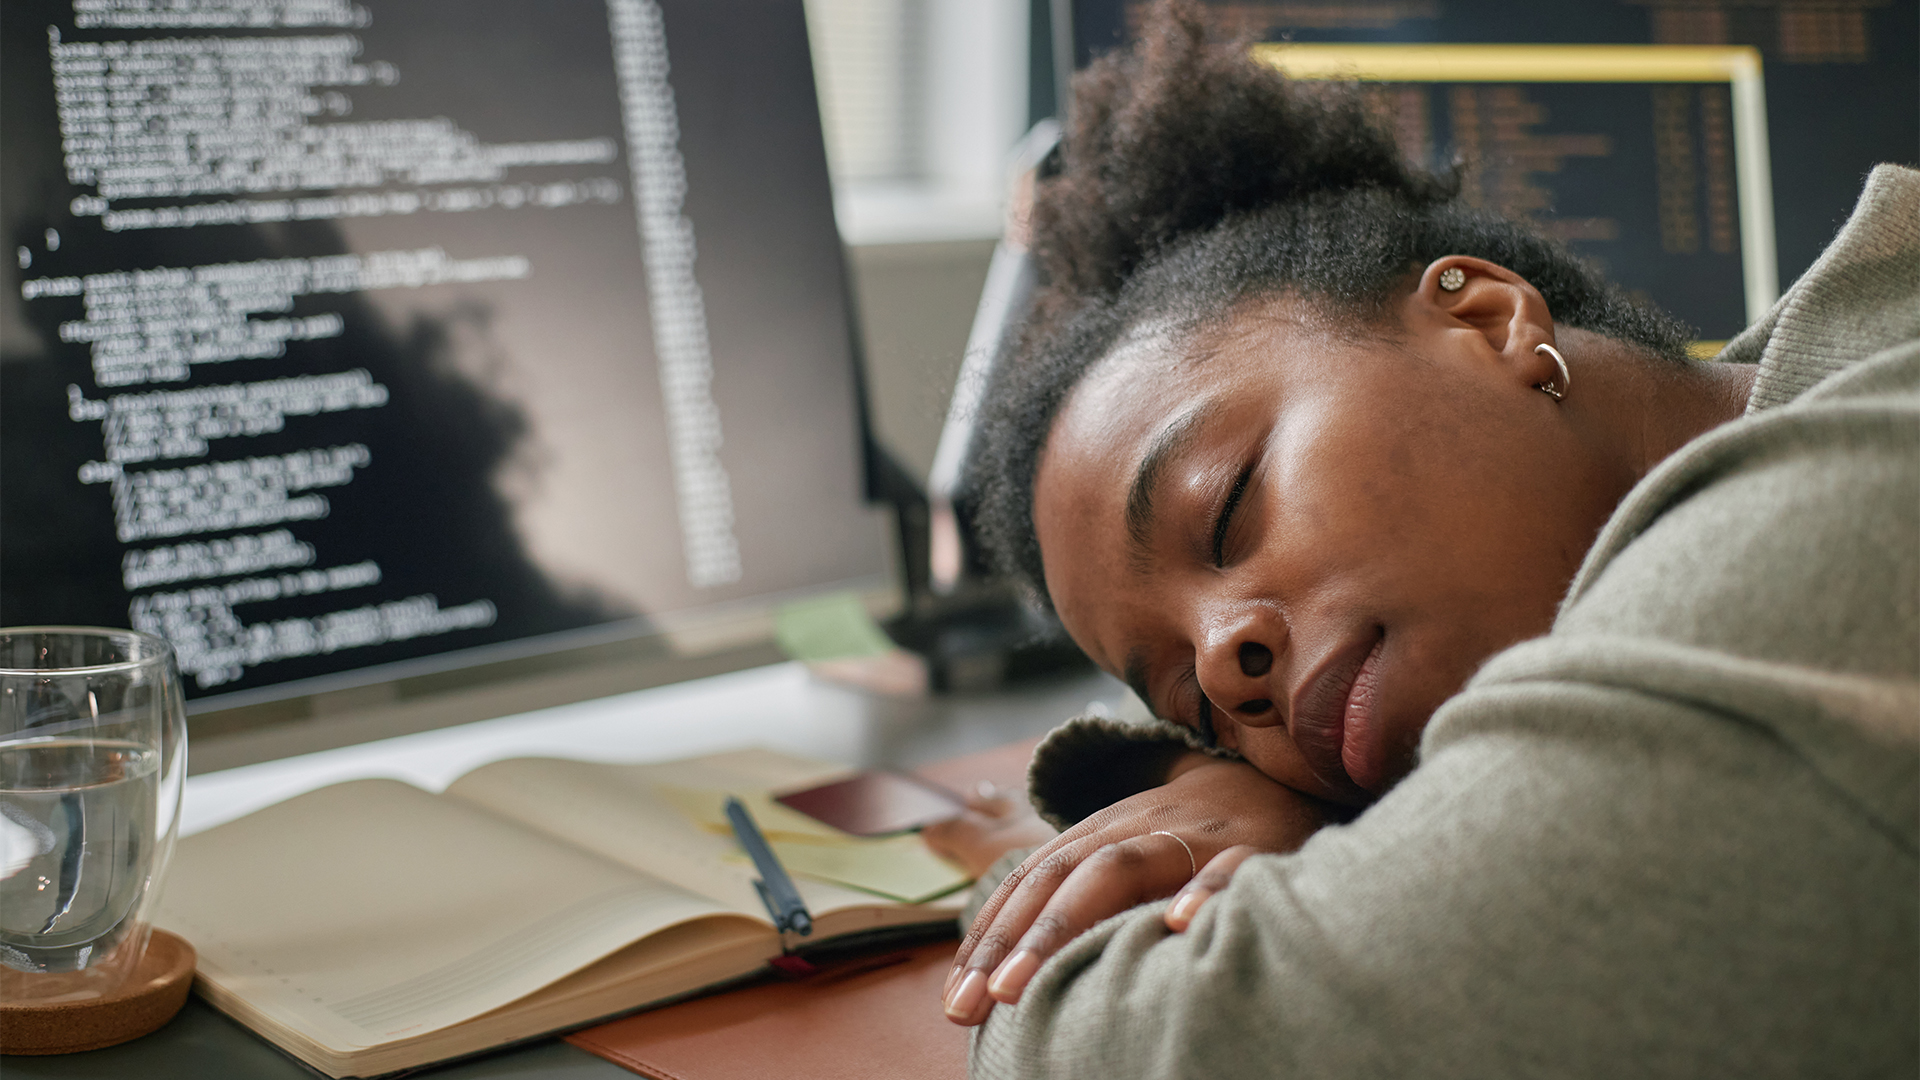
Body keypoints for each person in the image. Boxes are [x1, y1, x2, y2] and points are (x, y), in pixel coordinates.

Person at [925, 2, 1919, 1076]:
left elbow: (1181, 1047)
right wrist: (1211, 787)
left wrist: (1016, 918)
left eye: (1227, 507)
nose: (1224, 661)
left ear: (1491, 319)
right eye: (1193, 703)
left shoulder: (1845, 502)